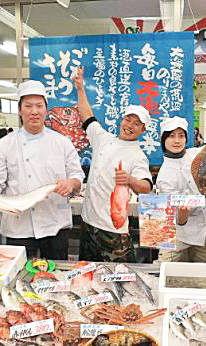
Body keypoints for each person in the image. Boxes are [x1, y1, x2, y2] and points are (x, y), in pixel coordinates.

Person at [0, 80, 85, 259]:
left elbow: (77, 177)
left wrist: (71, 183)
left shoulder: (62, 142)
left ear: (46, 109)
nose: (34, 111)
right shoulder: (4, 145)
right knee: (20, 276)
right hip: (18, 227)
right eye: (28, 106)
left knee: (56, 276)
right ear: (20, 110)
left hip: (55, 224)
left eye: (39, 106)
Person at [72, 67, 152, 262]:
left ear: (143, 129)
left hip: (113, 229)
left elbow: (146, 187)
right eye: (128, 119)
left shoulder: (138, 155)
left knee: (121, 275)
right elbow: (87, 115)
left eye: (136, 123)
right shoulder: (102, 138)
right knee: (87, 270)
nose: (130, 125)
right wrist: (80, 88)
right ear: (121, 119)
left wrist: (131, 180)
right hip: (88, 223)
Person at [155, 116, 206, 263]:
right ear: (163, 140)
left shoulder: (195, 154)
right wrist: (183, 212)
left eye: (181, 136)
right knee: (166, 271)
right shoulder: (164, 176)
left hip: (203, 231)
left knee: (201, 276)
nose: (177, 141)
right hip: (174, 234)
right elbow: (178, 220)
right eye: (171, 136)